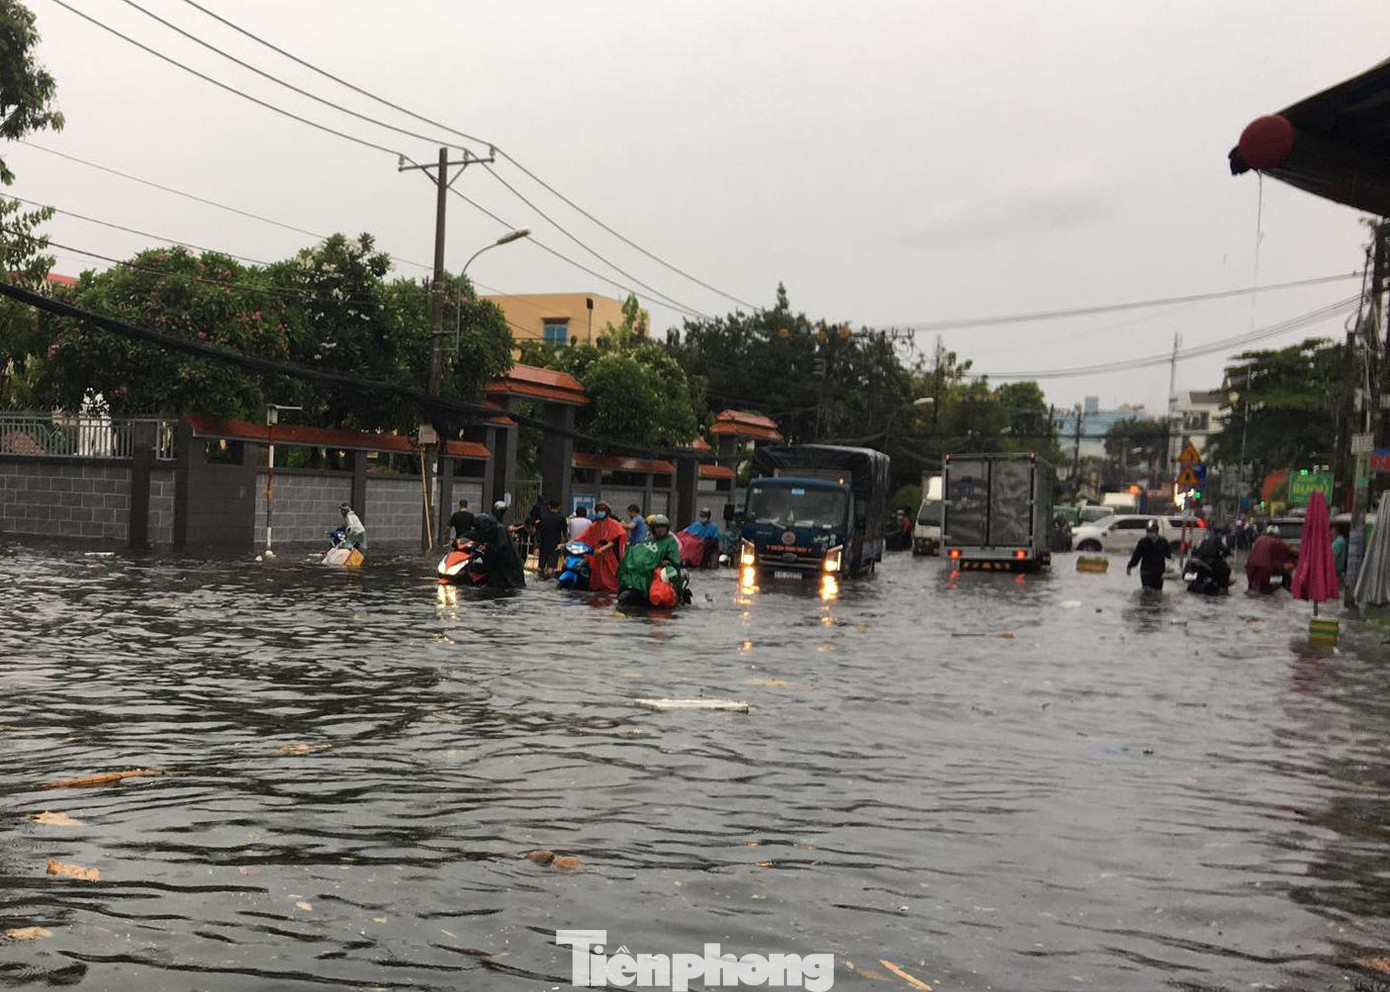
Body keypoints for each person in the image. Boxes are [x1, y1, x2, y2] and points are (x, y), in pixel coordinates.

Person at [619, 514, 686, 602]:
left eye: (663, 527)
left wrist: (668, 562)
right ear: (653, 528)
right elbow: (643, 552)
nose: (660, 529)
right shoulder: (649, 540)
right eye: (657, 527)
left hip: (663, 570)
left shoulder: (670, 541)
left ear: (667, 528)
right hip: (648, 569)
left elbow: (675, 558)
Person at [465, 512, 526, 589]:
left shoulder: (500, 530)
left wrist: (483, 547)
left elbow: (498, 548)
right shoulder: (483, 531)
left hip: (508, 569)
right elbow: (470, 536)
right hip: (495, 569)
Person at [583, 501, 627, 592]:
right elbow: (583, 536)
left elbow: (615, 539)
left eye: (602, 510)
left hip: (611, 555)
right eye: (598, 510)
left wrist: (603, 548)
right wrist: (567, 544)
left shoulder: (614, 524)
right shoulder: (594, 525)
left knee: (612, 574)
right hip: (597, 555)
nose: (600, 512)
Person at [1246, 524, 1294, 594]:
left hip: (1250, 568)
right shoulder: (1278, 542)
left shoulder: (1259, 539)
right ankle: (1292, 591)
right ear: (1277, 534)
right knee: (1286, 576)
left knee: (1252, 587)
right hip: (1267, 568)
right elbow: (1290, 552)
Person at [1126, 519, 1171, 590]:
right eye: (1148, 531)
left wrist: (1172, 557)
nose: (1149, 532)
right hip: (1146, 571)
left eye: (1152, 531)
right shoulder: (1143, 542)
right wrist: (1130, 566)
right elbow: (1136, 556)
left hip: (1159, 572)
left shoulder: (1163, 542)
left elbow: (1168, 554)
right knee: (1147, 591)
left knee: (1157, 591)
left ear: (1156, 531)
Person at [535, 499, 568, 579]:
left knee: (541, 566)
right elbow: (564, 532)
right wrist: (565, 542)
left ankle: (540, 579)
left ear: (549, 506)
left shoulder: (543, 517)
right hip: (555, 545)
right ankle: (549, 579)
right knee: (551, 567)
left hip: (543, 543)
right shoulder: (561, 518)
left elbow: (538, 530)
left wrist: (538, 542)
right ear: (559, 507)